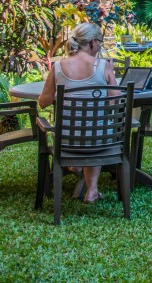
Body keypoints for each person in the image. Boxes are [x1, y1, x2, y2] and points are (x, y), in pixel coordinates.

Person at [38, 22, 117, 204]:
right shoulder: (104, 66)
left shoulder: (58, 67)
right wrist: (111, 73)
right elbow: (116, 102)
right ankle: (91, 191)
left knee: (84, 129)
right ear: (93, 43)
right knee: (95, 127)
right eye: (100, 43)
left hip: (66, 140)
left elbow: (43, 102)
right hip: (99, 140)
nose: (100, 47)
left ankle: (80, 171)